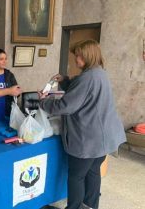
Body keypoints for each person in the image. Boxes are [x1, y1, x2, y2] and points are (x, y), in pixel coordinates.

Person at [38, 39, 126, 209]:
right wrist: (64, 80)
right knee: (93, 173)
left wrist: (44, 101)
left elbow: (65, 106)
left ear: (87, 56)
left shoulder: (87, 78)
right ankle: (91, 205)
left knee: (76, 177)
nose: (75, 60)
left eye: (78, 56)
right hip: (104, 139)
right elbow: (81, 88)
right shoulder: (100, 73)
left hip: (88, 139)